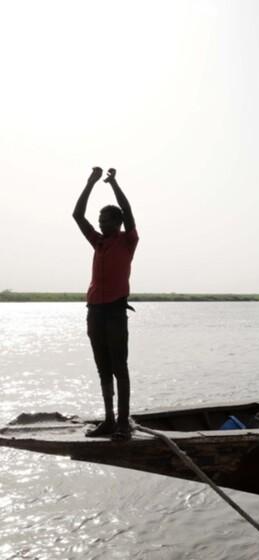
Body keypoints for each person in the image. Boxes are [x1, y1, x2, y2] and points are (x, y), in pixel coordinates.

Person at [73, 167, 139, 440]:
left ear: (118, 223)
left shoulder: (128, 240)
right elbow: (77, 215)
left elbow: (127, 208)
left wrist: (114, 184)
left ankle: (123, 423)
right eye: (100, 220)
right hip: (95, 312)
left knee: (118, 367)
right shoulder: (97, 242)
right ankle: (109, 420)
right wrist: (89, 183)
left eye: (106, 220)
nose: (101, 224)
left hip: (114, 311)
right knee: (103, 368)